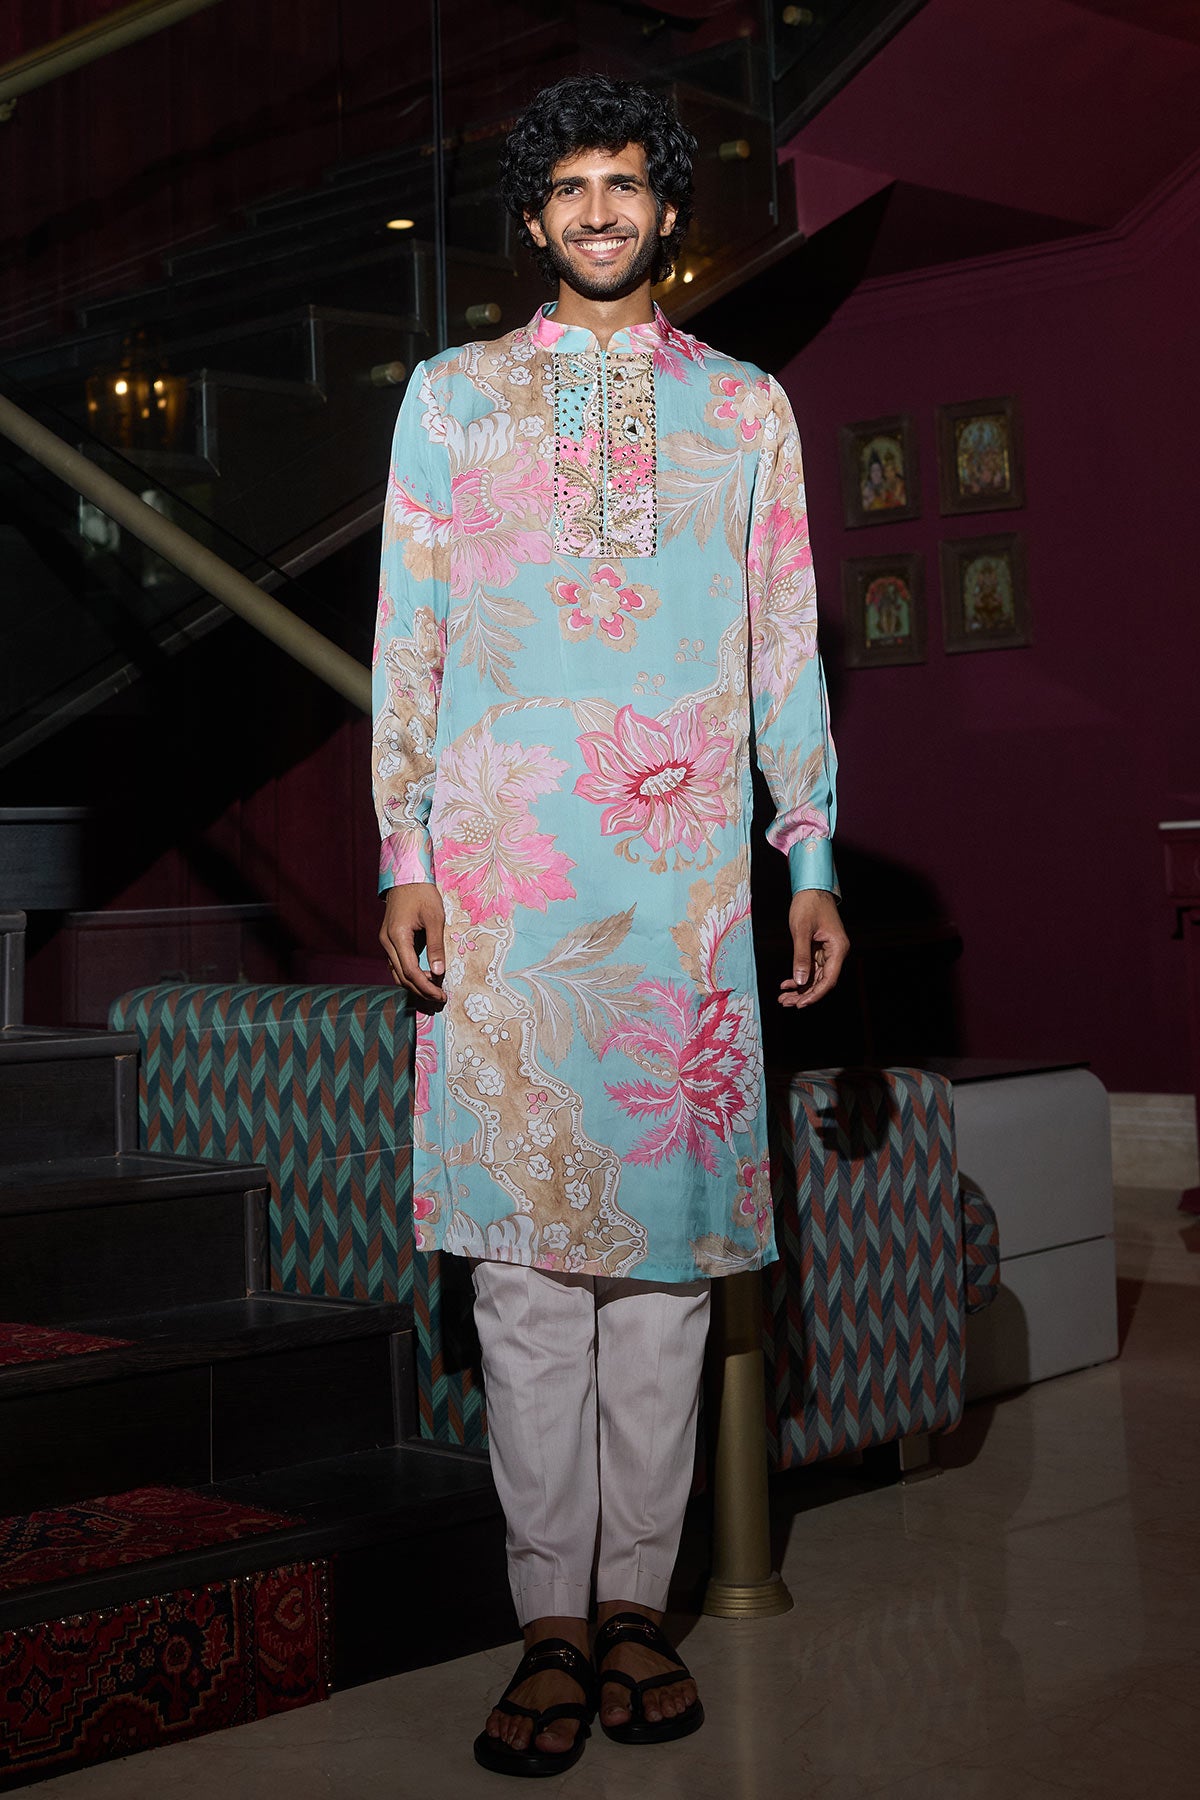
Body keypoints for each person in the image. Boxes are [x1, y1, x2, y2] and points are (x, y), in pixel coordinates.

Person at [372, 73, 847, 1778]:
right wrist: (405, 848)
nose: (596, 210)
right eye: (567, 185)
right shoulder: (453, 399)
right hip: (507, 887)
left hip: (683, 893)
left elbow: (784, 639)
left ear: (667, 211)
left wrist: (810, 854)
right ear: (533, 216)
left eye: (624, 183)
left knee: (662, 1273)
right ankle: (549, 1629)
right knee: (521, 1277)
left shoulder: (746, 409)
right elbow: (410, 634)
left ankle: (638, 1609)